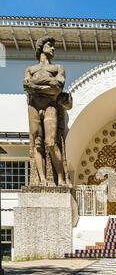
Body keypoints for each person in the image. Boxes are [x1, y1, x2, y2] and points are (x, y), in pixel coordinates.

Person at [24, 36, 71, 186]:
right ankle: (42, 179)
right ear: (41, 47)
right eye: (50, 45)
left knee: (51, 143)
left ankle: (61, 179)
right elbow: (27, 86)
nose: (53, 48)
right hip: (33, 106)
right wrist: (48, 83)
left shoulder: (57, 68)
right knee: (37, 144)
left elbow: (57, 87)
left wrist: (37, 85)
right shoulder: (30, 69)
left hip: (50, 106)